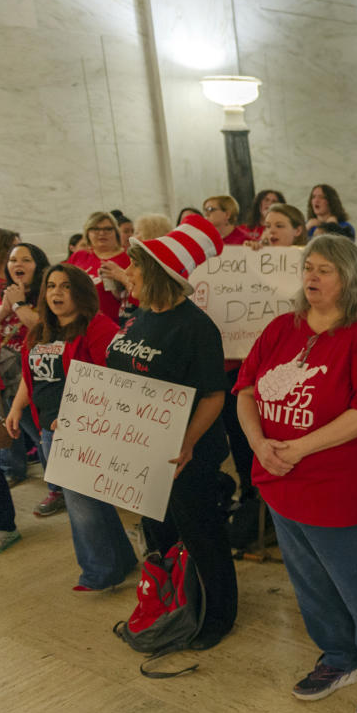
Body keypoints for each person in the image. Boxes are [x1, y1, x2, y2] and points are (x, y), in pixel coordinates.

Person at [235, 233, 357, 713]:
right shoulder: (280, 328)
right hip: (282, 483)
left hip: (346, 491)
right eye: (308, 267)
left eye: (324, 269)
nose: (311, 277)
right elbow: (245, 389)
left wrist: (297, 448)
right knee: (310, 582)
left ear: (349, 276)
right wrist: (260, 445)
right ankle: (339, 656)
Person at [106, 214, 237, 649]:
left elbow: (214, 396)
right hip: (145, 450)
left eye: (135, 267)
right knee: (160, 533)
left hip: (187, 453)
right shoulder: (140, 317)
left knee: (200, 534)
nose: (127, 274)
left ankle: (218, 615)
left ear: (158, 274)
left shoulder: (196, 328)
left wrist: (186, 442)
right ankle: (174, 602)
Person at [7, 263, 133, 588]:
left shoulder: (96, 326)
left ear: (80, 292)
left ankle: (99, 573)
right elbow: (31, 375)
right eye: (51, 286)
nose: (56, 293)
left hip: (83, 430)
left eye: (65, 286)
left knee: (81, 506)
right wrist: (17, 407)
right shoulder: (40, 331)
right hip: (49, 428)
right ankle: (122, 559)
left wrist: (84, 416)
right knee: (93, 500)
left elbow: (115, 381)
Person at [0, 242, 57, 511]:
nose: (17, 265)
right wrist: (5, 307)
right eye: (13, 260)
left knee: (41, 434)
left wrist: (19, 303)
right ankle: (23, 471)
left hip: (39, 374)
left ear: (39, 265)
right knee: (18, 427)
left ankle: (58, 488)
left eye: (26, 259)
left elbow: (42, 329)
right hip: (8, 375)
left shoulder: (47, 294)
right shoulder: (7, 293)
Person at [70, 211, 133, 323]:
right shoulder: (79, 257)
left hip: (115, 324)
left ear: (116, 232)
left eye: (108, 229)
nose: (102, 233)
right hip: (80, 323)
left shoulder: (128, 259)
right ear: (87, 233)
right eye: (95, 229)